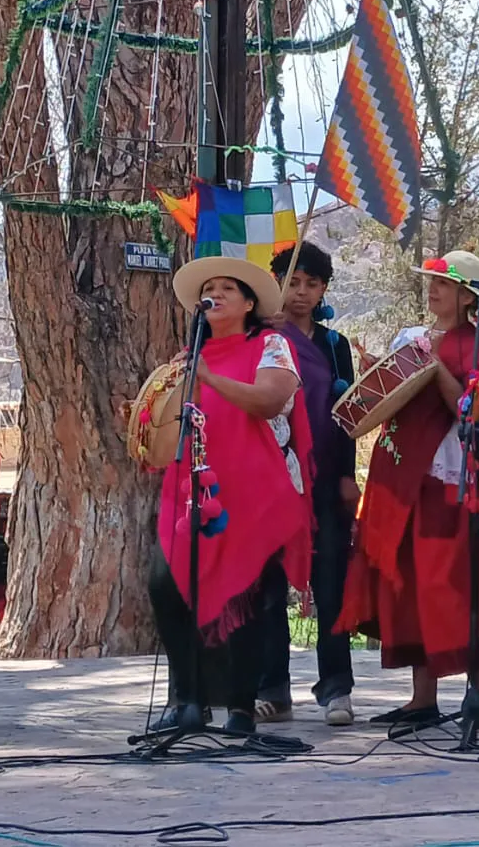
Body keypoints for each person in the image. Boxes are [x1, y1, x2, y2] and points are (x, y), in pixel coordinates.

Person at [336, 251, 479, 728]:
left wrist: (436, 371)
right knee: (405, 581)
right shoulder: (410, 339)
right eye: (430, 282)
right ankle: (422, 699)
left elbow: (473, 413)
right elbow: (387, 400)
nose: (432, 291)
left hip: (446, 477)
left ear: (468, 295)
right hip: (397, 471)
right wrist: (378, 373)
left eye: (443, 284)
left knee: (447, 582)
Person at [147, 255, 314, 736]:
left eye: (226, 288)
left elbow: (270, 399)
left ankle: (241, 710)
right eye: (210, 289)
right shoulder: (188, 353)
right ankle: (188, 702)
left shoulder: (271, 344)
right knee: (168, 585)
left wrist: (208, 378)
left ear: (248, 303)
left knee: (246, 596)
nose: (214, 295)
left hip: (253, 488)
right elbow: (164, 419)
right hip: (192, 485)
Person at [255, 243, 359, 726]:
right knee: (270, 585)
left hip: (323, 477)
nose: (300, 292)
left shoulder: (335, 347)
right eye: (291, 281)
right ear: (275, 281)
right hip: (272, 478)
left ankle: (337, 688)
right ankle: (272, 689)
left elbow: (349, 415)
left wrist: (344, 475)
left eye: (311, 284)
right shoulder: (257, 338)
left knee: (331, 581)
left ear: (323, 291)